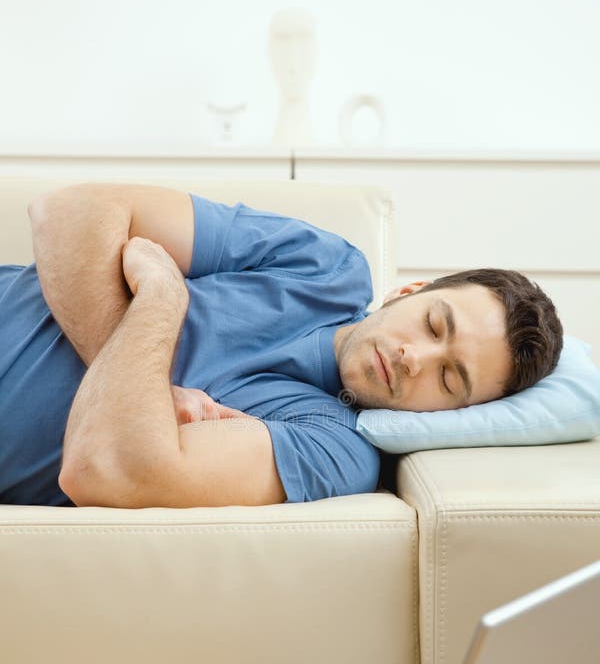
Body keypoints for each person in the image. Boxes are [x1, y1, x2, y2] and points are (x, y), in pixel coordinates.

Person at [0, 184, 562, 510]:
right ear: (409, 292)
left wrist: (161, 298)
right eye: (434, 326)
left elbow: (106, 467)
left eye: (449, 379)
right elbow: (70, 210)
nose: (418, 358)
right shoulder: (326, 268)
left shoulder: (335, 450)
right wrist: (141, 383)